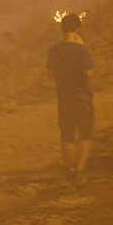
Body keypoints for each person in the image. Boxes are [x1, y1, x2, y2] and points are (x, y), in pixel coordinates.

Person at [46, 13, 94, 176]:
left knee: (67, 135)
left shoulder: (53, 51)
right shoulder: (82, 50)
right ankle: (79, 169)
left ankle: (69, 168)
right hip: (82, 98)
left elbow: (50, 74)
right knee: (85, 134)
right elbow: (88, 73)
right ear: (78, 29)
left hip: (63, 98)